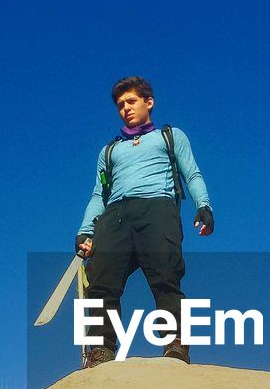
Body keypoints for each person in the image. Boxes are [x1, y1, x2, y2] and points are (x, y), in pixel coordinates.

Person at [75, 75, 214, 367]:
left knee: (166, 278)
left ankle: (175, 344)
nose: (125, 108)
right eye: (120, 104)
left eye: (131, 101)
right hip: (115, 216)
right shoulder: (109, 151)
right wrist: (85, 230)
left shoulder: (170, 135)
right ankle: (100, 351)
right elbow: (99, 194)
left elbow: (192, 174)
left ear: (148, 102)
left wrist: (203, 205)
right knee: (101, 284)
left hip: (158, 209)